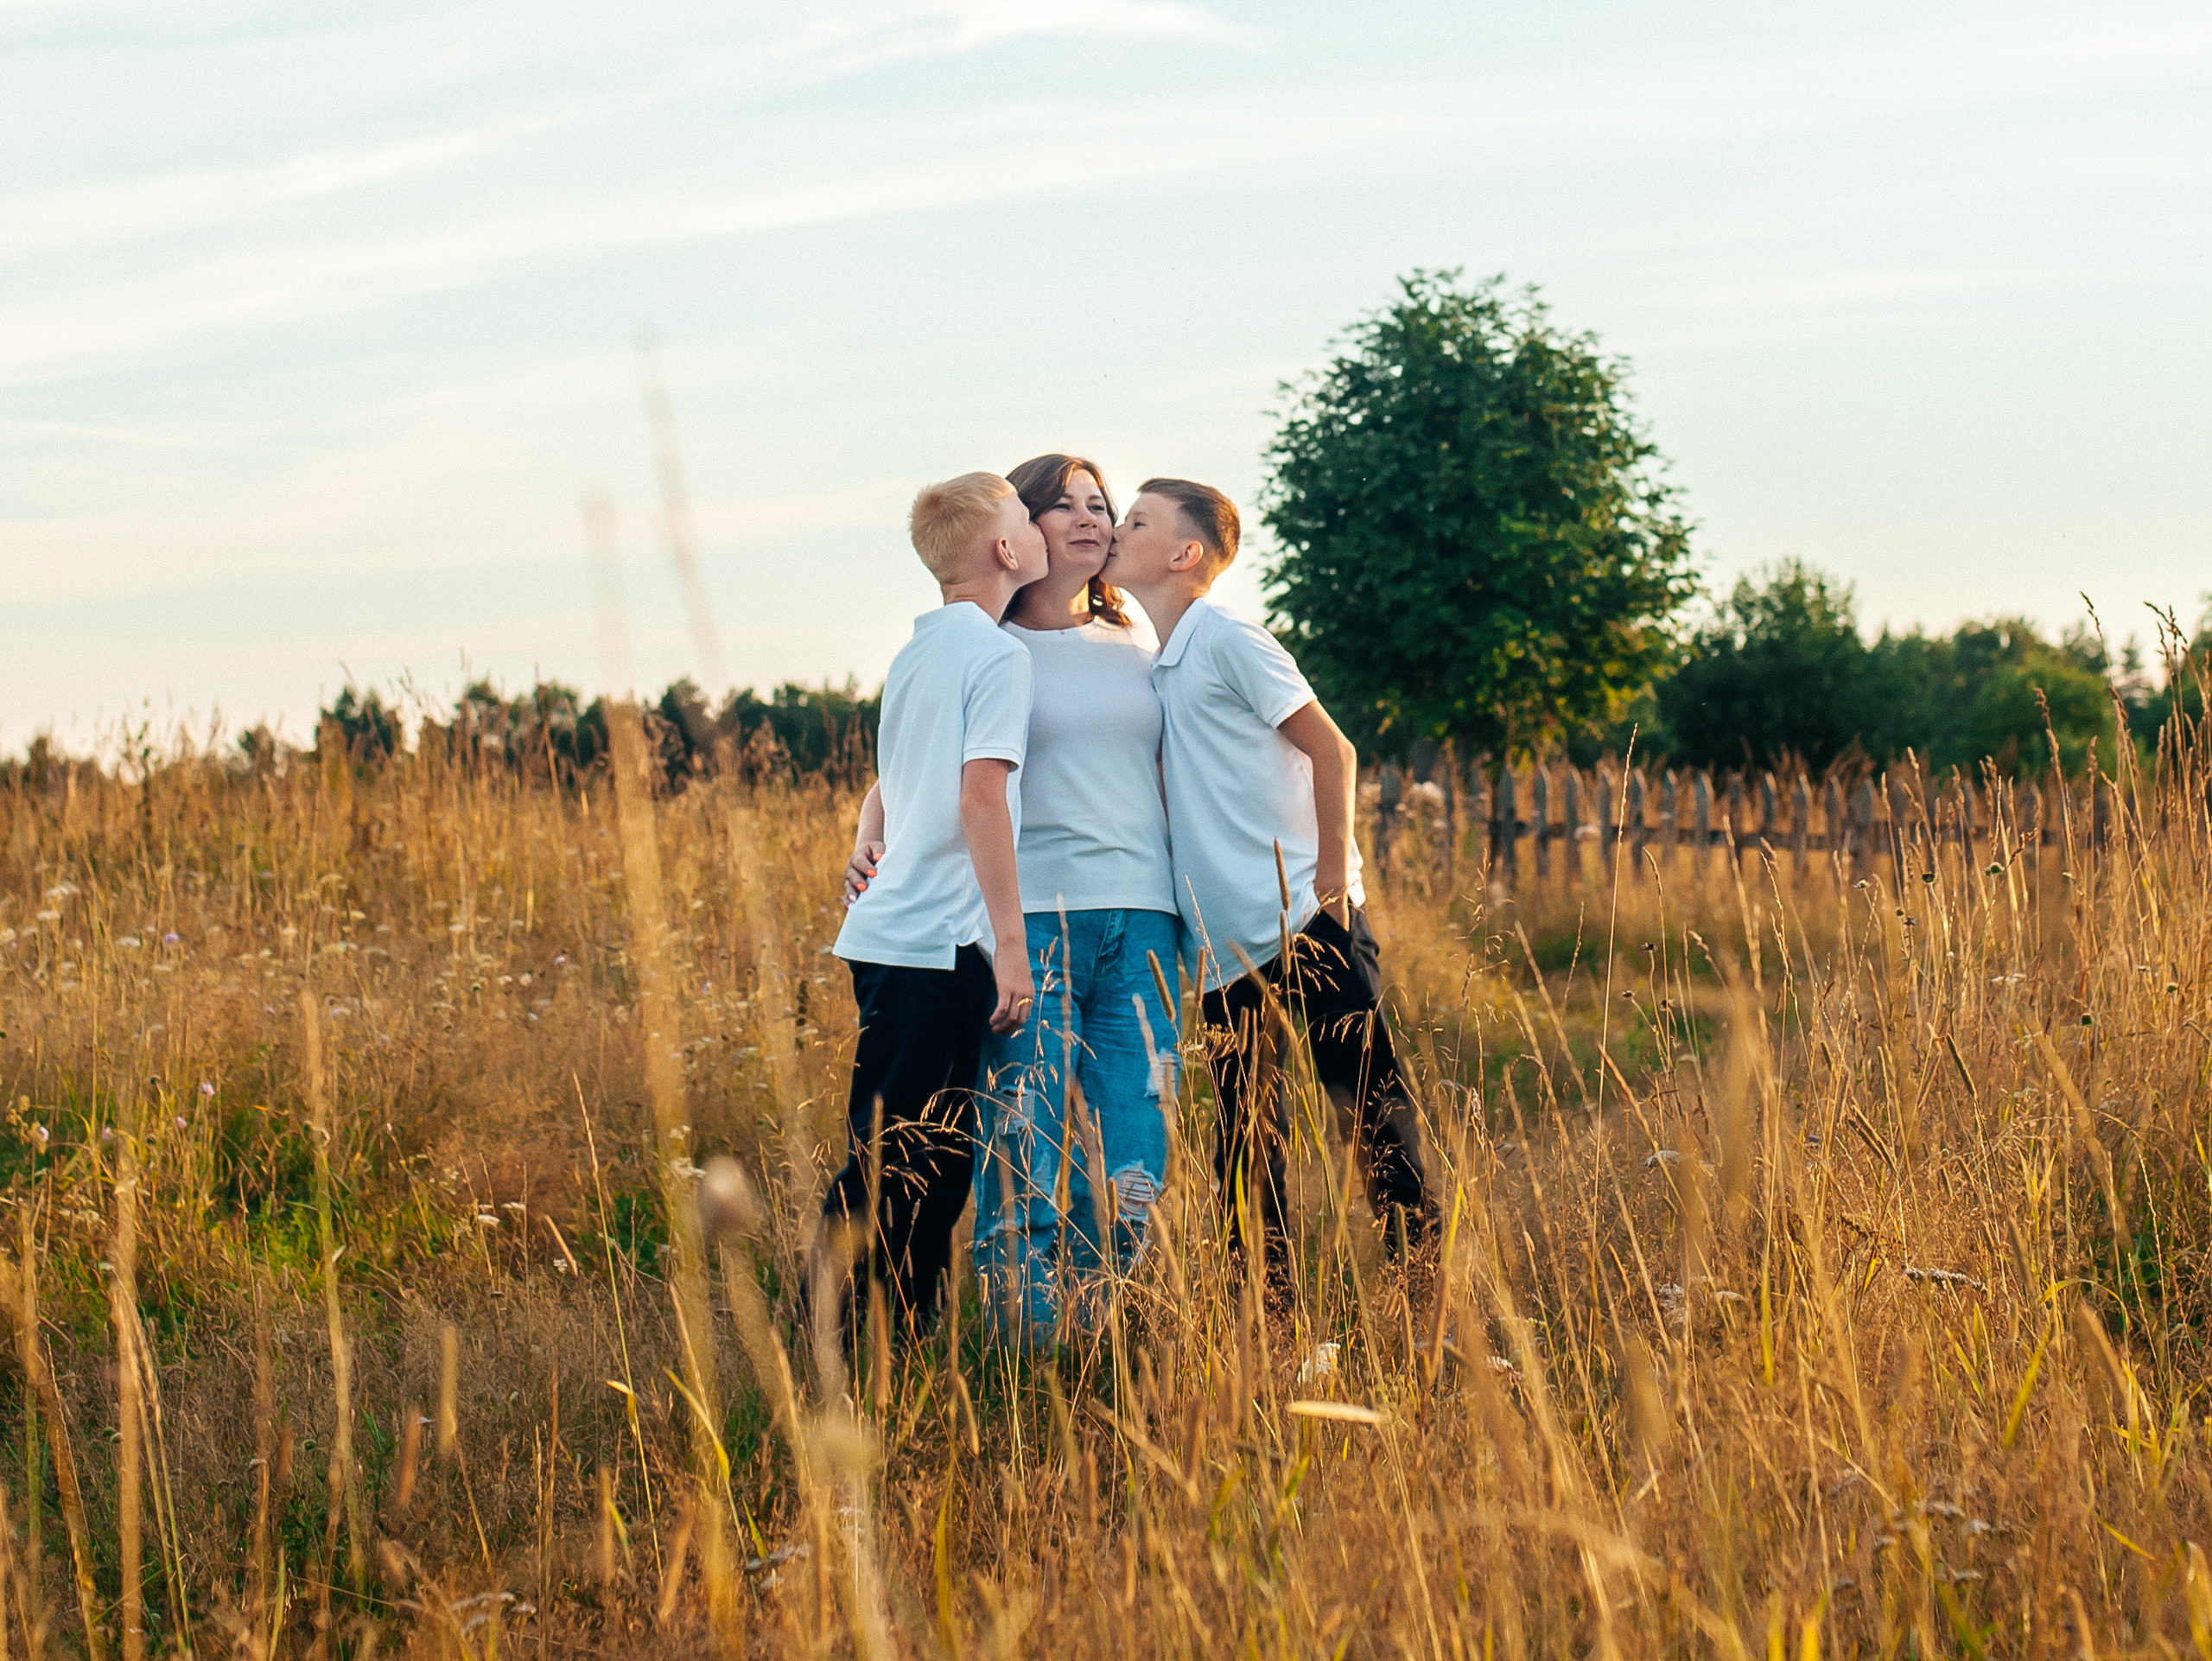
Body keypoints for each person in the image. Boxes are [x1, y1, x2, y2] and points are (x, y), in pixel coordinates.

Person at [848, 455, 1180, 1346]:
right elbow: (923, 761)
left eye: (1100, 504)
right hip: (1028, 920)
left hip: (1143, 914)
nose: (1086, 517)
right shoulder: (989, 642)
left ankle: (1113, 1337)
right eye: (1059, 504)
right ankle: (1026, 1348)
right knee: (1024, 1145)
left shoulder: (1142, 651)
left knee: (1135, 1146)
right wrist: (867, 831)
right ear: (1021, 533)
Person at [1108, 477, 1434, 1295]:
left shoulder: (1227, 638)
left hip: (1304, 922)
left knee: (1369, 1111)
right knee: (1246, 1143)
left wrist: (1330, 884)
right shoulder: (1159, 667)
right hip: (1225, 956)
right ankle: (1267, 1306)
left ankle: (1421, 1285)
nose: (1115, 528)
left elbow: (1334, 749)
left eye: (1135, 521)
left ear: (1185, 554)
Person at [817, 471, 1044, 1340]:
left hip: (899, 938)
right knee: (896, 1159)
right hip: (935, 943)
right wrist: (1011, 944)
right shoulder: (997, 655)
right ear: (1004, 549)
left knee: (934, 1160)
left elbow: (895, 775)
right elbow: (979, 796)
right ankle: (828, 1335)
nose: (1037, 529)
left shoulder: (920, 651)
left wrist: (867, 825)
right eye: (1027, 517)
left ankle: (896, 1334)